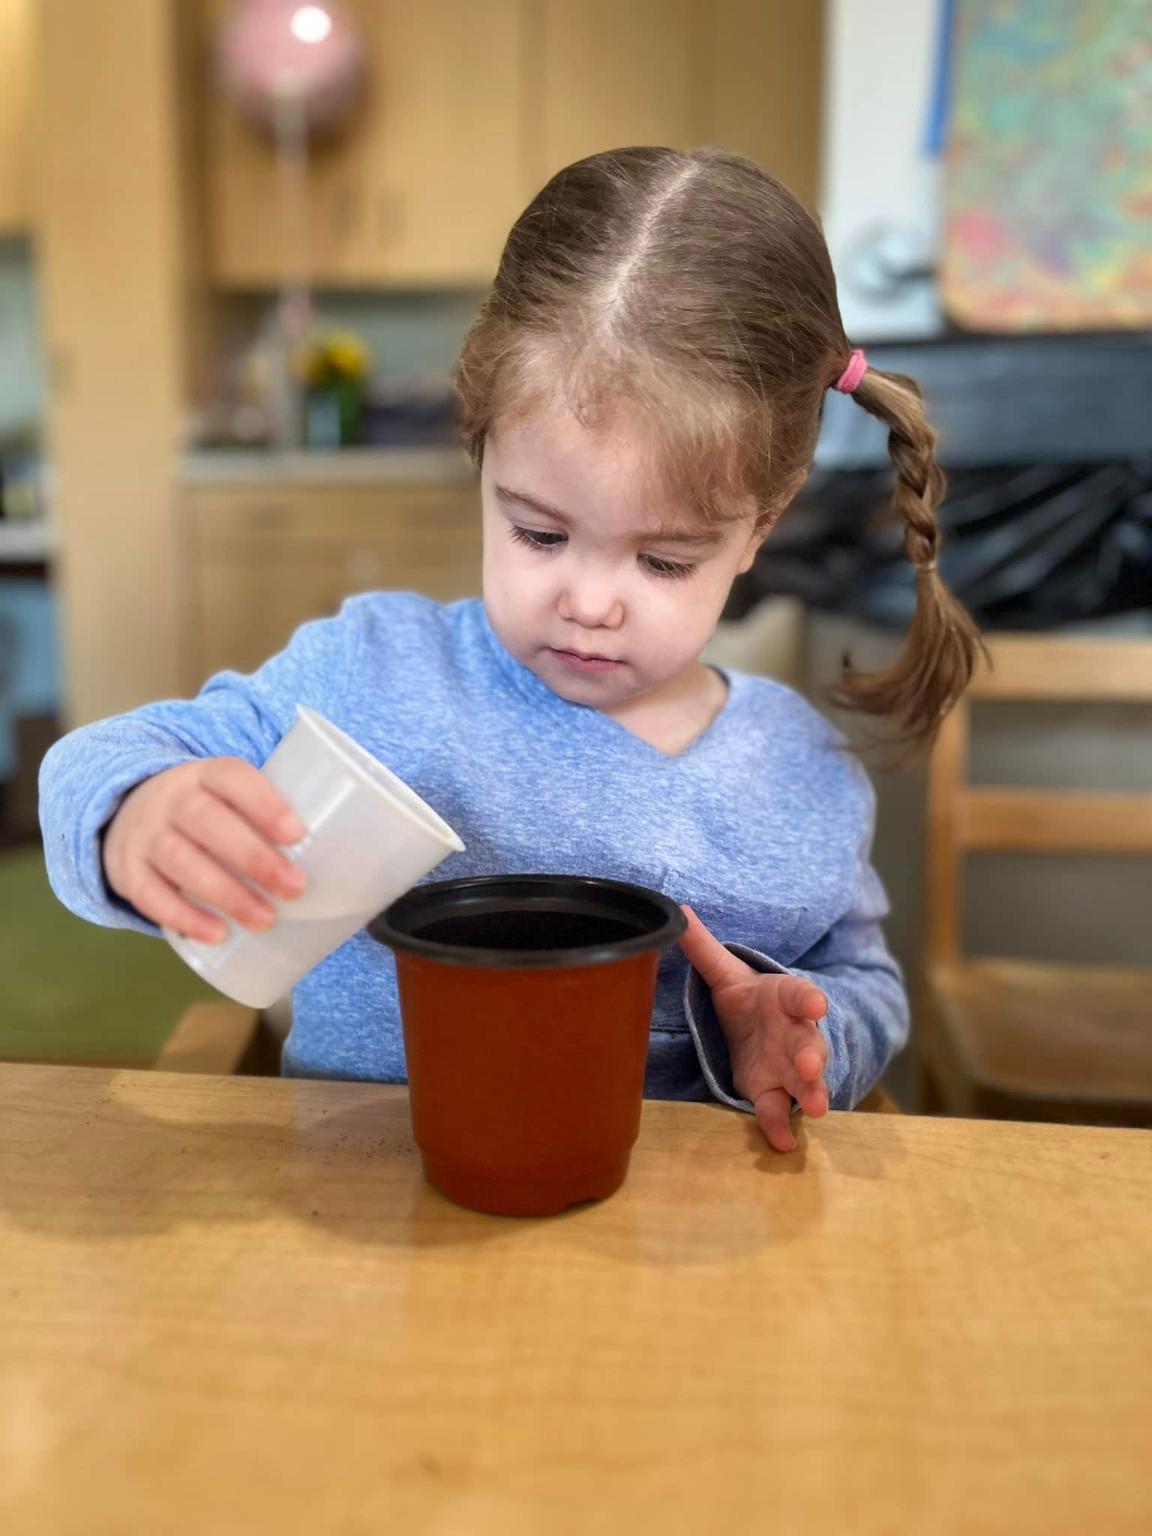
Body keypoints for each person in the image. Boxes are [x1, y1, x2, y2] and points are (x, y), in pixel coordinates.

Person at [39, 147, 981, 1151]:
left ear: (762, 524)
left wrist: (808, 1036)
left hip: (684, 1230)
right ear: (481, 450)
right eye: (539, 533)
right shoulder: (371, 670)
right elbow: (106, 759)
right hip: (362, 1198)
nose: (590, 604)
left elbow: (862, 978)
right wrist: (134, 812)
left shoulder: (803, 771)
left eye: (662, 560)